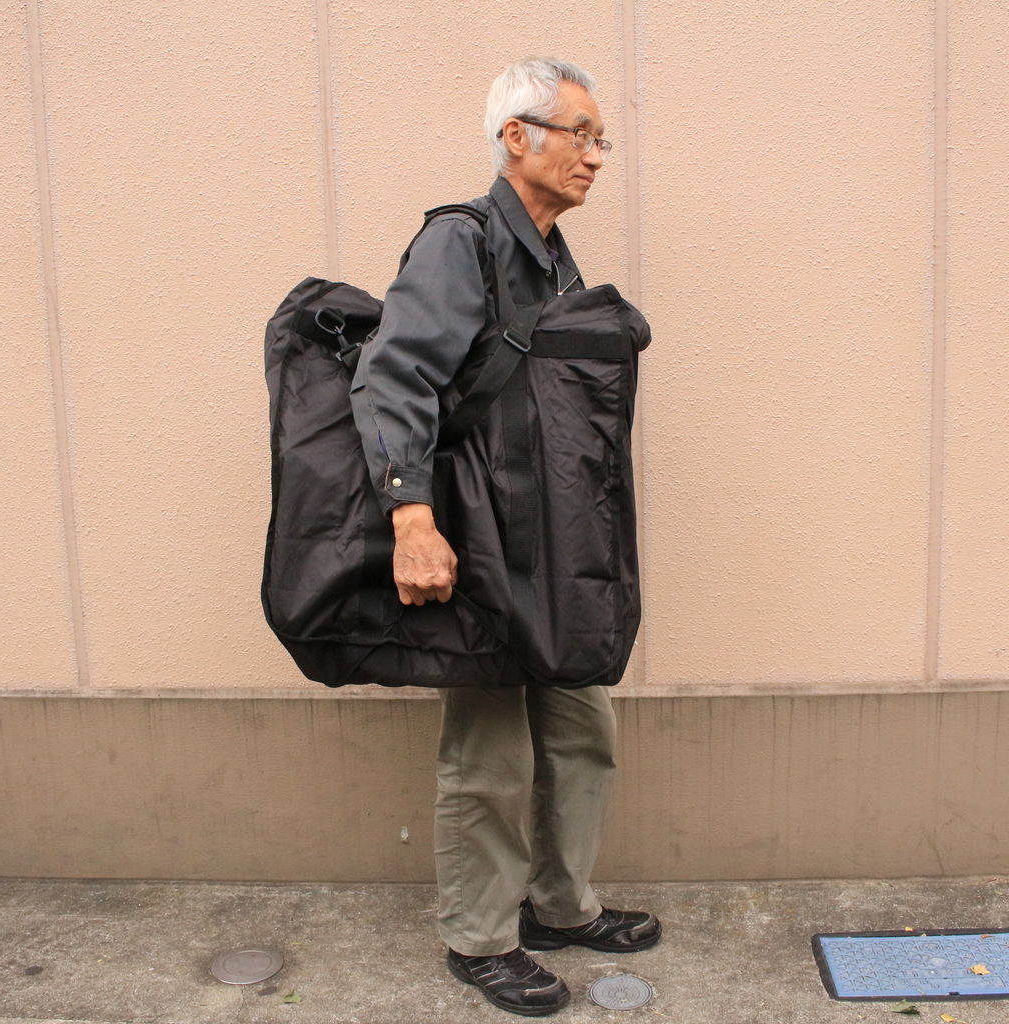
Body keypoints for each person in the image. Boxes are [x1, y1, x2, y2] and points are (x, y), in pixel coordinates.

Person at [350, 57, 660, 1017]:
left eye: (602, 139)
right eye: (581, 134)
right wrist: (412, 519)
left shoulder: (553, 254)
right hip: (482, 538)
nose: (595, 156)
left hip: (556, 545)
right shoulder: (463, 241)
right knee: (488, 752)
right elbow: (394, 377)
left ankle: (561, 905)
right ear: (516, 137)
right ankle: (480, 938)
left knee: (581, 729)